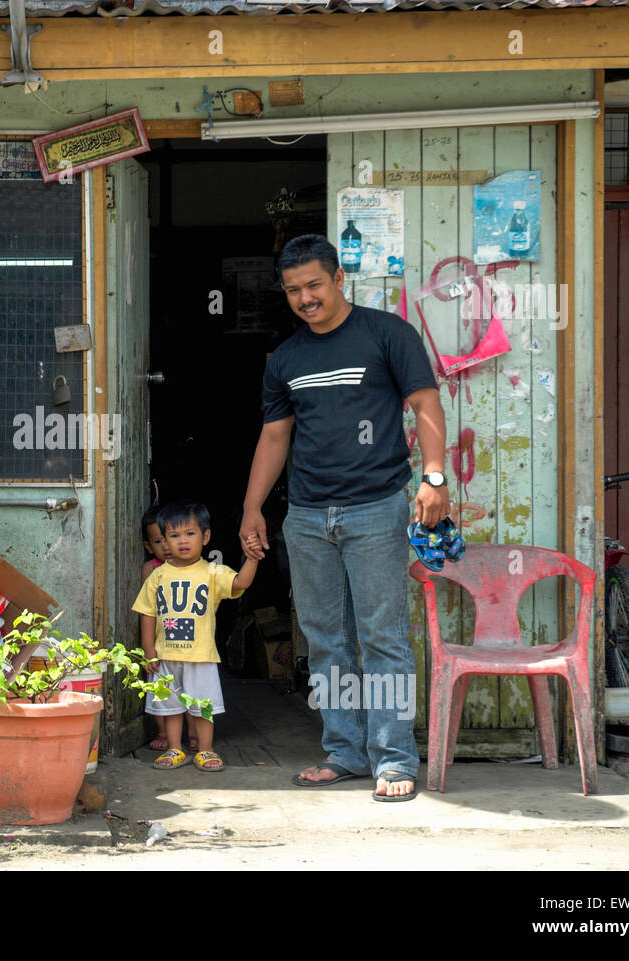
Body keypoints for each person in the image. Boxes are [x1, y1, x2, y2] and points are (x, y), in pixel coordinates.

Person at [239, 234, 448, 802]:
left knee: (382, 638)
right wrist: (253, 507)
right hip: (306, 517)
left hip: (377, 507)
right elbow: (275, 435)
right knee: (325, 639)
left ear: (337, 279)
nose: (305, 298)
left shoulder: (387, 334)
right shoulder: (285, 359)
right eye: (293, 290)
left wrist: (433, 477)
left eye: (313, 285)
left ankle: (394, 758)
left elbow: (426, 405)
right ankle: (345, 751)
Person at [133, 500, 258, 772]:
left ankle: (206, 750)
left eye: (190, 533)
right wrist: (148, 650)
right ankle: (175, 749)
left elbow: (241, 583)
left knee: (202, 706)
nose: (182, 541)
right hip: (165, 655)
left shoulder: (212, 572)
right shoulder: (157, 575)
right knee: (171, 707)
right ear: (164, 541)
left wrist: (251, 559)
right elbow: (147, 613)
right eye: (174, 536)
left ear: (206, 536)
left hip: (201, 656)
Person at [138, 505, 197, 752]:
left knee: (191, 690)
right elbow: (148, 608)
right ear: (149, 547)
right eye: (158, 541)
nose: (166, 546)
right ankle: (163, 732)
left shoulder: (194, 566)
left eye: (169, 538)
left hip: (190, 643)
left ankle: (194, 733)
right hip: (161, 641)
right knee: (162, 690)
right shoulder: (151, 570)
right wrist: (148, 647)